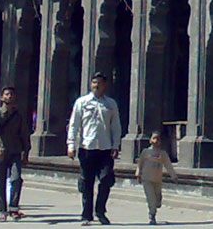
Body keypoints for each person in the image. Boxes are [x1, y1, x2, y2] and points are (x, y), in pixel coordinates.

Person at [68, 73, 123, 226]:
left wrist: (115, 145)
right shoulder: (82, 102)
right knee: (87, 182)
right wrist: (71, 145)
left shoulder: (110, 104)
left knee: (106, 179)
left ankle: (100, 210)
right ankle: (86, 214)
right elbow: (74, 124)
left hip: (105, 149)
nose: (96, 85)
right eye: (93, 82)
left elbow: (115, 126)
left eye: (99, 83)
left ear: (105, 85)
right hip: (87, 147)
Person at [0, 86, 32, 222]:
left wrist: (26, 152)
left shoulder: (18, 116)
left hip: (15, 151)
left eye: (12, 94)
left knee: (16, 178)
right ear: (2, 97)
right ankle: (2, 210)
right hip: (1, 152)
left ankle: (13, 207)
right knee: (0, 181)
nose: (9, 96)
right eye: (7, 94)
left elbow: (24, 134)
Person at [135, 130, 177, 225]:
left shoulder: (163, 154)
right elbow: (140, 163)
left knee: (157, 197)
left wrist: (173, 176)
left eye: (158, 139)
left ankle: (157, 202)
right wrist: (138, 173)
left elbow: (168, 165)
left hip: (157, 179)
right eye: (154, 138)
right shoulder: (145, 152)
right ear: (150, 140)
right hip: (146, 179)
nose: (156, 140)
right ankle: (152, 215)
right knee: (151, 198)